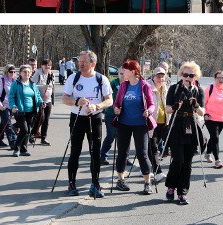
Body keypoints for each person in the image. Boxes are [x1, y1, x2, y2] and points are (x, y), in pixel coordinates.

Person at [62, 50, 113, 198]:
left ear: (93, 63)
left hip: (94, 118)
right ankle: (72, 183)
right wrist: (76, 101)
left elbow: (109, 100)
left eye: (84, 61)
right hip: (77, 117)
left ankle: (95, 184)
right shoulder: (73, 77)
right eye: (80, 61)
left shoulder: (101, 79)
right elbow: (65, 98)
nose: (81, 64)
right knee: (75, 151)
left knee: (95, 152)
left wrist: (97, 106)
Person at [164, 61, 205, 205]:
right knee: (178, 159)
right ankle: (171, 187)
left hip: (191, 126)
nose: (188, 77)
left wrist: (196, 106)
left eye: (191, 75)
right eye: (185, 74)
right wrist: (175, 107)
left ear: (195, 76)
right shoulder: (174, 89)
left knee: (187, 163)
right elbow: (167, 108)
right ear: (181, 74)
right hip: (177, 125)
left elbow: (202, 112)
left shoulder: (198, 90)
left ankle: (182, 192)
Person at [113, 60, 156, 194]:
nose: (122, 72)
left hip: (140, 124)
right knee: (122, 153)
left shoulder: (144, 86)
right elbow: (116, 103)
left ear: (132, 71)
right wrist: (116, 109)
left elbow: (152, 104)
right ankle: (120, 180)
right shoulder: (123, 86)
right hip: (124, 124)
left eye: (124, 70)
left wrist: (149, 111)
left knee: (142, 153)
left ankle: (147, 183)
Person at [9, 65, 44, 157]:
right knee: (24, 130)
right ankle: (16, 148)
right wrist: (13, 106)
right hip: (19, 111)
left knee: (28, 130)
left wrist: (41, 103)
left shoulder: (32, 84)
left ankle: (24, 149)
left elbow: (38, 96)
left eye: (28, 72)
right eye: (24, 72)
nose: (27, 73)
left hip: (32, 111)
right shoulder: (15, 84)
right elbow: (11, 97)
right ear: (20, 73)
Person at [203, 71, 223, 168]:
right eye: (219, 78)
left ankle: (208, 153)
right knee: (215, 137)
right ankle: (217, 160)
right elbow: (203, 102)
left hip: (222, 118)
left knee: (213, 137)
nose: (221, 80)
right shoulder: (210, 88)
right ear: (215, 78)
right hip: (210, 117)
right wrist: (205, 113)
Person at [100, 65, 126, 166]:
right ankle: (103, 155)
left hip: (125, 115)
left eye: (125, 74)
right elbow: (106, 99)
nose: (123, 76)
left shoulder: (130, 85)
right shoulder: (113, 84)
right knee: (111, 135)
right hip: (111, 113)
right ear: (118, 74)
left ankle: (124, 157)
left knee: (123, 137)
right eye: (121, 74)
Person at [149, 65, 169, 181]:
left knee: (169, 143)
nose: (161, 79)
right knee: (153, 148)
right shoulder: (148, 88)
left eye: (162, 77)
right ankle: (158, 171)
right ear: (153, 77)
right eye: (158, 76)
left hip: (164, 122)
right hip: (152, 123)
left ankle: (148, 167)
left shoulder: (166, 88)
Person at [30, 59, 55, 145]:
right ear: (42, 66)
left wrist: (52, 97)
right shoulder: (38, 73)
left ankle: (44, 138)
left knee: (46, 120)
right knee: (41, 117)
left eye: (49, 65)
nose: (48, 67)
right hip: (39, 99)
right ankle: (33, 134)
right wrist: (43, 86)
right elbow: (32, 85)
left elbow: (52, 86)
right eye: (46, 65)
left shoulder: (51, 74)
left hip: (48, 100)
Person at [0, 64, 18, 149]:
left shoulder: (15, 81)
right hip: (2, 106)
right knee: (8, 125)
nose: (13, 73)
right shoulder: (1, 80)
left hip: (12, 106)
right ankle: (13, 143)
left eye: (14, 71)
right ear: (6, 71)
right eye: (11, 71)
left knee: (4, 123)